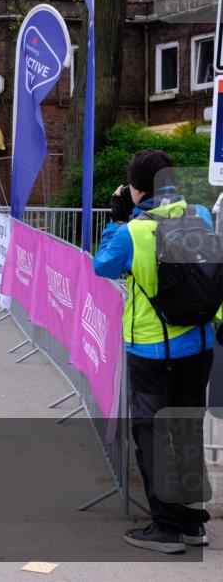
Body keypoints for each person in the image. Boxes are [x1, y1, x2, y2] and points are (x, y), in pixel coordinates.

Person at [93, 149, 218, 554]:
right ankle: (193, 524)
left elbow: (103, 267)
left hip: (151, 348)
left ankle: (166, 527)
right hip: (199, 344)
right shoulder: (199, 213)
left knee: (151, 434)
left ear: (135, 187)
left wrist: (116, 219)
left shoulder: (134, 230)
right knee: (184, 430)